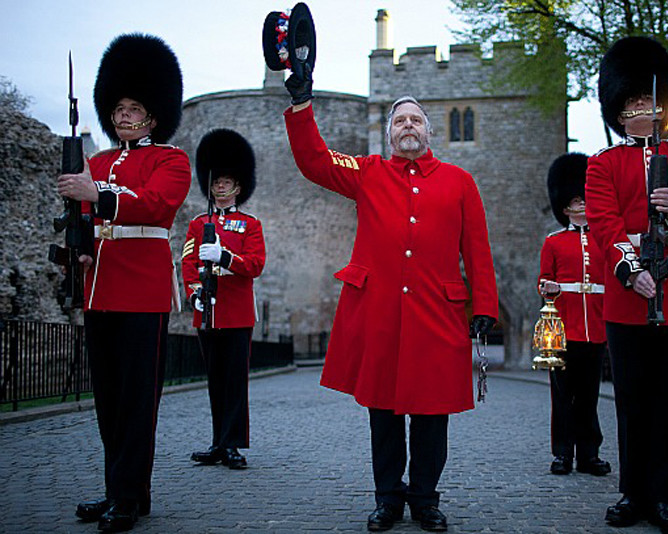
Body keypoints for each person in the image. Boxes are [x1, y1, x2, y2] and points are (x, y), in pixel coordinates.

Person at [283, 70, 498, 531]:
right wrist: (302, 103)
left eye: (415, 120)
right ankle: (387, 498)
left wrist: (484, 307)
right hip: (379, 313)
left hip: (437, 315)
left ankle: (424, 499)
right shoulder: (367, 172)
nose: (407, 126)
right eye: (399, 121)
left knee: (431, 416)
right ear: (389, 134)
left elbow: (477, 250)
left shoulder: (460, 181)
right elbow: (314, 160)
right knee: (382, 413)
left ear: (428, 131)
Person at [585, 37, 668, 534]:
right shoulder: (603, 163)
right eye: (631, 102)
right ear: (619, 112)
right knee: (632, 400)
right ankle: (632, 493)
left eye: (647, 99)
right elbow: (603, 222)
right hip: (627, 296)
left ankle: (666, 496)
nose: (640, 108)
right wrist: (630, 270)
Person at [56, 33, 190, 532]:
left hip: (142, 290)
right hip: (100, 290)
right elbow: (84, 219)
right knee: (109, 399)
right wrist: (80, 240)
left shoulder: (170, 161)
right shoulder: (94, 162)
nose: (124, 116)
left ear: (153, 115)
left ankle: (130, 496)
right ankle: (120, 491)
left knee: (137, 400)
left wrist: (100, 194)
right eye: (118, 108)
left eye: (135, 108)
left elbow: (156, 205)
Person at [182, 128, 266, 470]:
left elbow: (256, 265)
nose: (220, 186)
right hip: (208, 311)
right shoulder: (197, 223)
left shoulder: (250, 225)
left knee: (234, 381)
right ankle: (218, 442)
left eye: (226, 181)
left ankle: (233, 443)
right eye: (216, 181)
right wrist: (194, 294)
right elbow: (188, 263)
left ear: (238, 186)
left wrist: (225, 257)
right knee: (215, 380)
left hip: (236, 311)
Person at [538, 153, 611, 477]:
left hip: (595, 327)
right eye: (575, 201)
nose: (581, 204)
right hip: (563, 328)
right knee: (562, 395)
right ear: (565, 207)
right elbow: (543, 281)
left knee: (589, 396)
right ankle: (563, 454)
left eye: (584, 199)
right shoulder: (553, 242)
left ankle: (589, 454)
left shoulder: (604, 239)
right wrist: (550, 287)